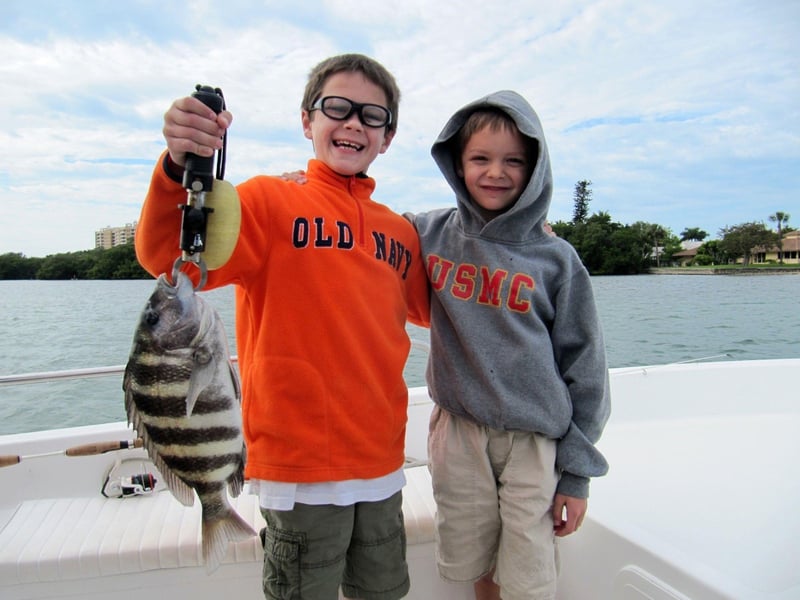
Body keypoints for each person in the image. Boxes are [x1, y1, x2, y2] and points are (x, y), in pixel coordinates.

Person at [135, 53, 430, 600]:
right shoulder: (269, 202)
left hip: (384, 466)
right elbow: (165, 256)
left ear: (387, 137)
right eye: (336, 107)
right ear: (306, 120)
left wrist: (513, 246)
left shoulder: (401, 233)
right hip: (298, 474)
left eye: (372, 116)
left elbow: (443, 310)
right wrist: (179, 166)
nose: (353, 124)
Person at [408, 91, 611, 600]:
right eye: (480, 158)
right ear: (457, 163)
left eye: (513, 161)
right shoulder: (427, 232)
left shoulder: (557, 259)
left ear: (535, 168)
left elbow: (586, 368)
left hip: (534, 443)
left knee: (527, 574)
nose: (495, 172)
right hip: (458, 432)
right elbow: (361, 227)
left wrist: (577, 476)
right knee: (477, 562)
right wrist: (304, 188)